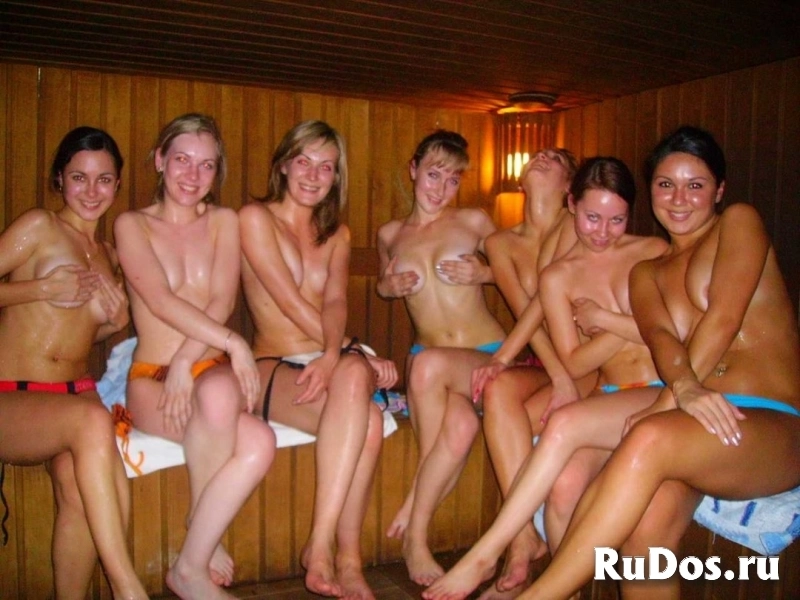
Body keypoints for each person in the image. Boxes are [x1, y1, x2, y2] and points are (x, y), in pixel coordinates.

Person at [506, 126, 800, 600]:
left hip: (769, 420)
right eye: (666, 184)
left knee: (648, 435)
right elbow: (662, 341)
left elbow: (724, 317)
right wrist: (676, 393)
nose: (679, 199)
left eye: (695, 185)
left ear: (719, 190)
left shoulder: (738, 222)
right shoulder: (648, 271)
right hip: (698, 421)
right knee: (645, 533)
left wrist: (675, 395)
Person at [424, 156, 669, 600]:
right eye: (592, 218)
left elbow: (678, 331)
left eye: (616, 220)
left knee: (563, 423)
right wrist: (634, 326)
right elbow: (573, 362)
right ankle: (562, 585)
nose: (602, 232)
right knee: (564, 485)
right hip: (611, 392)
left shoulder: (653, 252)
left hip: (658, 388)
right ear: (572, 206)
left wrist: (608, 321)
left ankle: (486, 553)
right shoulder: (559, 277)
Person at [115, 113, 276, 600]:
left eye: (206, 165)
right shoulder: (132, 225)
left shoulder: (224, 221)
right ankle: (201, 544)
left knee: (259, 439)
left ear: (217, 170)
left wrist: (187, 362)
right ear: (159, 160)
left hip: (204, 371)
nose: (192, 174)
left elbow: (222, 300)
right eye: (182, 159)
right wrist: (233, 343)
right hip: (152, 379)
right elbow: (160, 300)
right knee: (241, 419)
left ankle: (190, 561)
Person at [239, 119, 398, 600]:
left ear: (336, 176)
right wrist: (347, 351)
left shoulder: (338, 234)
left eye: (326, 167)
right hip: (272, 365)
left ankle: (341, 557)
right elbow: (287, 301)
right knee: (362, 395)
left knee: (370, 418)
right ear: (284, 165)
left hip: (326, 353)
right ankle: (328, 549)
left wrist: (335, 353)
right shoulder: (254, 218)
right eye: (303, 162)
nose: (313, 175)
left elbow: (334, 301)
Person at [0, 127, 148, 600]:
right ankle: (127, 588)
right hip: (12, 397)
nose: (91, 190)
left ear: (117, 184)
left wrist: (116, 323)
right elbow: (43, 301)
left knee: (79, 490)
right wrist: (40, 288)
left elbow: (77, 331)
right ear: (59, 178)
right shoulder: (39, 227)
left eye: (104, 179)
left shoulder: (106, 256)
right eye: (79, 177)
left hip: (71, 398)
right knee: (93, 422)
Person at [376, 130, 505, 585]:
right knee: (461, 426)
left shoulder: (474, 221)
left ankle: (415, 526)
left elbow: (522, 273)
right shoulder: (390, 234)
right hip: (431, 359)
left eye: (453, 180)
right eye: (434, 174)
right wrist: (387, 287)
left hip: (484, 355)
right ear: (413, 170)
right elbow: (383, 284)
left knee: (426, 366)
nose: (441, 188)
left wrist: (485, 273)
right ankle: (420, 530)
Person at [474, 148, 584, 598]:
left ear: (569, 185)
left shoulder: (578, 225)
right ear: (520, 180)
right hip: (545, 358)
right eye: (538, 156)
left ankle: (527, 560)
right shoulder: (499, 243)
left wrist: (563, 374)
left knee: (508, 389)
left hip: (587, 357)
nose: (541, 157)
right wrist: (521, 365)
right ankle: (522, 539)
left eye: (555, 158)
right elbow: (526, 311)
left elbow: (549, 304)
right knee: (497, 387)